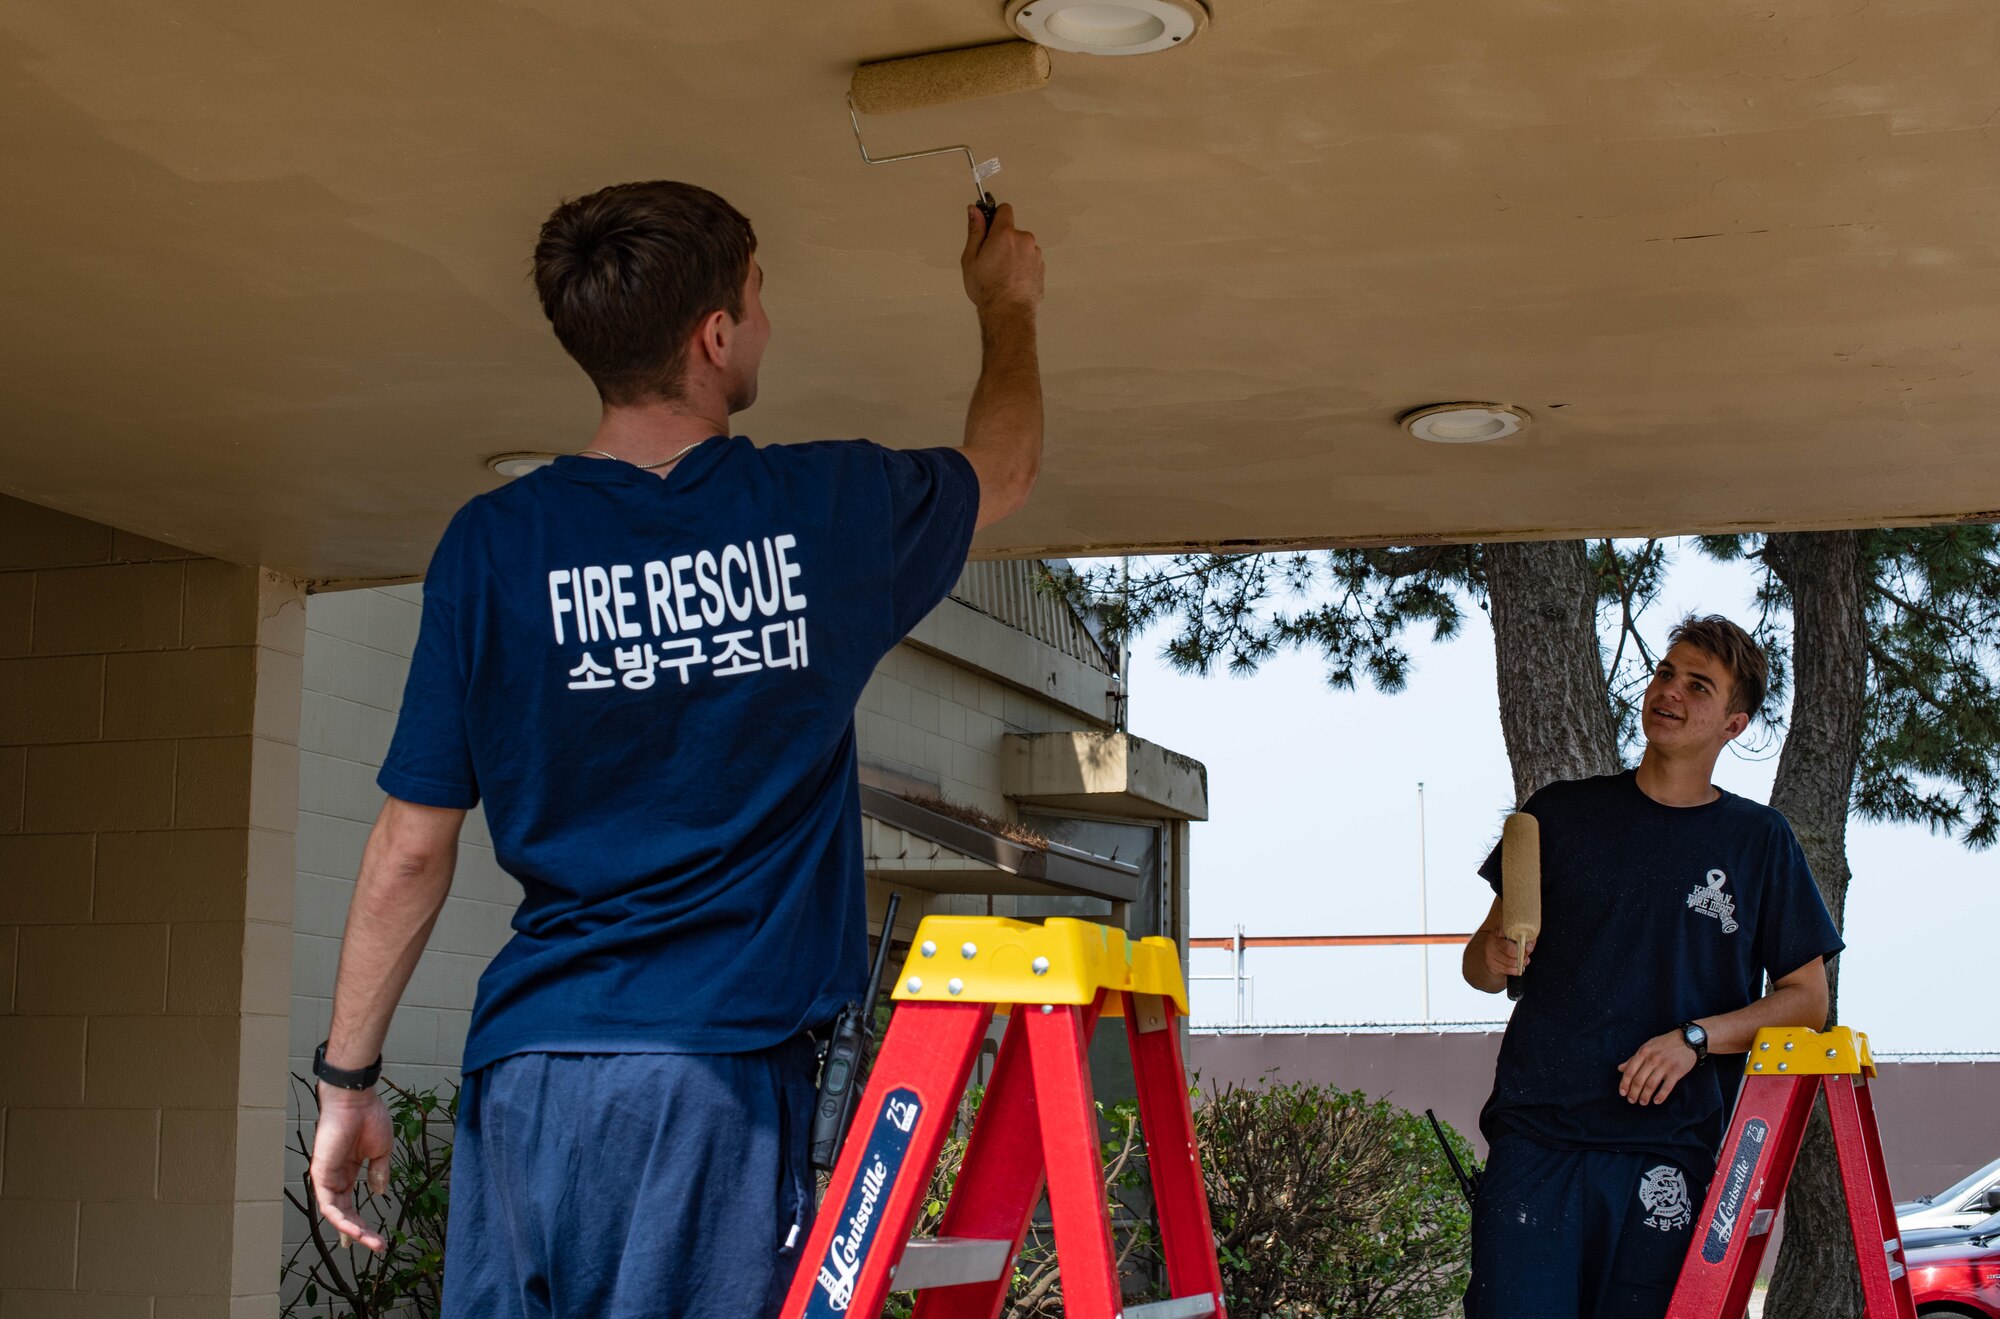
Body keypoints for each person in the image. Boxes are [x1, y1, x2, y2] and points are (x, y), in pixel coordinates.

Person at [306, 180, 1045, 1318]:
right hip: (715, 1079)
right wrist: (1006, 307)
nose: (764, 320)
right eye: (756, 297)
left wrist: (347, 1079)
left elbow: (412, 844)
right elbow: (1002, 466)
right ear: (714, 336)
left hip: (528, 1072)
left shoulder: (490, 545)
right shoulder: (826, 509)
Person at [1459, 614, 1845, 1319]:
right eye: (1666, 672)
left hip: (1668, 1152)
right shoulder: (1559, 815)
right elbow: (1481, 969)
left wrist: (1695, 1037)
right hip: (1536, 1143)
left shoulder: (1760, 841)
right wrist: (1492, 955)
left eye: (1699, 685)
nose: (1670, 691)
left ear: (1734, 723)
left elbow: (1807, 1000)